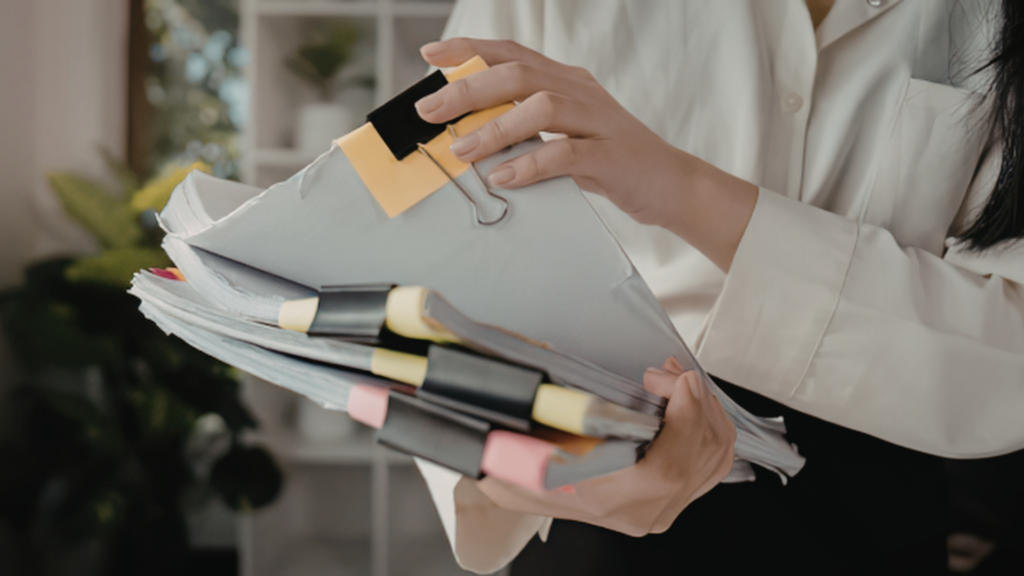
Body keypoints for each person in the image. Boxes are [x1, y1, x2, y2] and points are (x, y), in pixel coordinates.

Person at [410, 1, 1024, 573]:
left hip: (879, 493)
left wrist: (684, 191)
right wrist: (498, 463)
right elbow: (424, 266)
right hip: (591, 475)